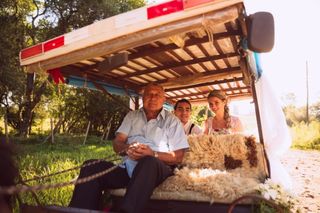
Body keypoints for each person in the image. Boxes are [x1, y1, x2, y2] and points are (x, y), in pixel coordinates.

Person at [69, 83, 189, 213]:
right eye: (149, 94)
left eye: (157, 95)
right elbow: (117, 143)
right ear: (143, 97)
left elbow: (178, 157)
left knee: (148, 161)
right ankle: (77, 211)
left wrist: (152, 153)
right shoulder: (132, 116)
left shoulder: (173, 121)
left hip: (157, 169)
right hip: (128, 169)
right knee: (90, 166)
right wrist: (127, 148)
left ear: (164, 99)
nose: (153, 98)